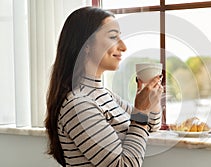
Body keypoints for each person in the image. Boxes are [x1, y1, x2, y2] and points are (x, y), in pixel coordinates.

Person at [45, 7, 163, 167]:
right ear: (86, 44)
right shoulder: (78, 105)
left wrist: (151, 99)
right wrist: (140, 111)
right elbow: (125, 165)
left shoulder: (104, 95)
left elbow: (151, 125)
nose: (123, 46)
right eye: (113, 37)